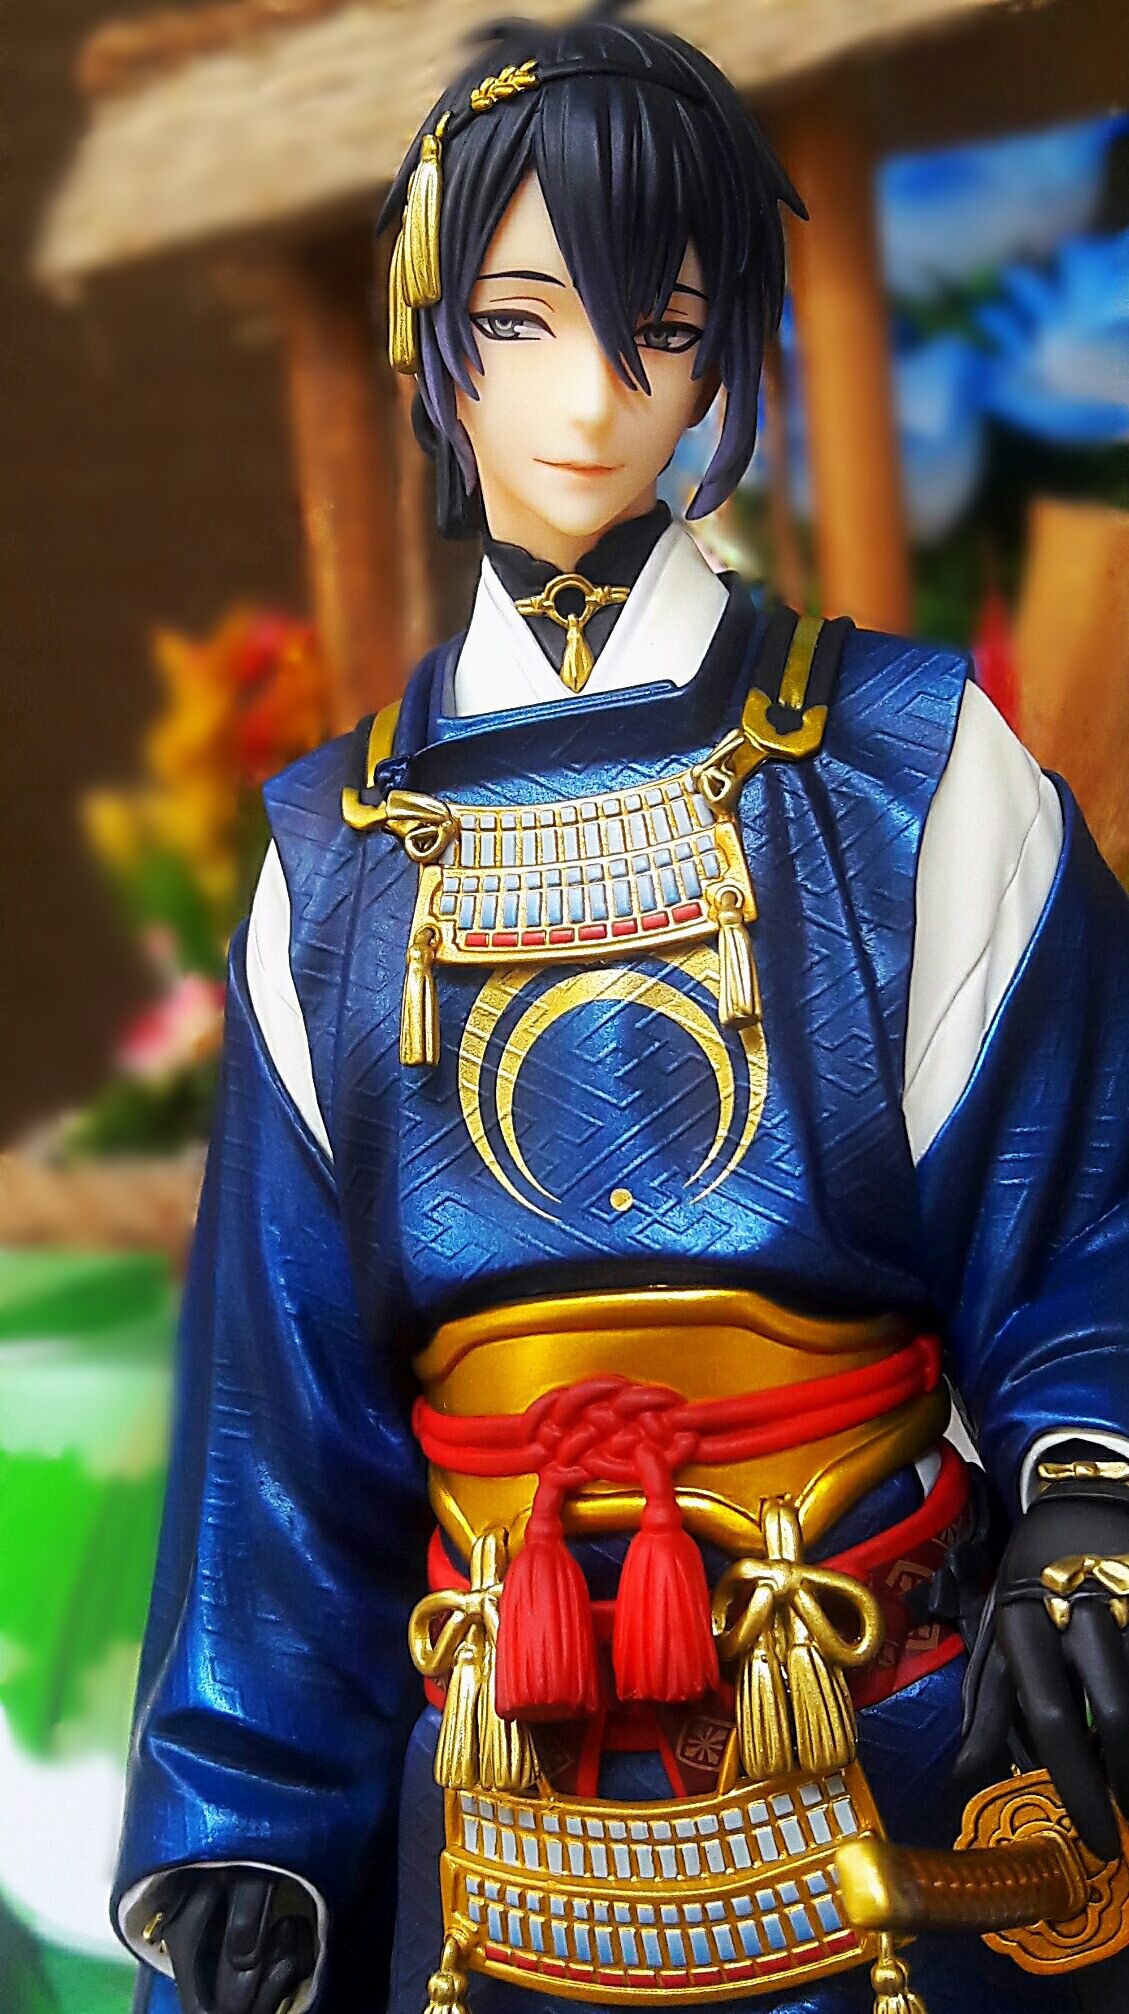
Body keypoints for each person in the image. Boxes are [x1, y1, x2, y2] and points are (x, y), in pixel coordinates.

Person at [112, 13, 1129, 2014]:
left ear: (721, 346)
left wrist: (1089, 1507)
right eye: (520, 321)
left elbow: (1084, 1216)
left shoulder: (908, 768)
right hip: (493, 1790)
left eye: (653, 326)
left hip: (879, 1735)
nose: (589, 396)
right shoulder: (334, 858)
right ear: (433, 340)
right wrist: (247, 1821)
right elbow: (281, 1420)